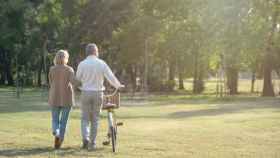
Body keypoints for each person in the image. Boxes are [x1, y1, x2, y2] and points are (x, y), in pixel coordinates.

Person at [76, 43, 124, 151]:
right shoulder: (101, 63)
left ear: (86, 52)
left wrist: (82, 85)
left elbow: (77, 79)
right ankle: (92, 143)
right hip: (98, 93)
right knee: (95, 119)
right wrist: (118, 86)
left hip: (85, 93)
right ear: (96, 52)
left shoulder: (82, 64)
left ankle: (85, 138)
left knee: (85, 118)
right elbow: (110, 77)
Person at [48, 50, 77, 149]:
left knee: (55, 119)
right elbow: (74, 82)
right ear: (66, 58)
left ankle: (56, 131)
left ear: (56, 57)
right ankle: (59, 141)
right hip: (67, 98)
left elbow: (51, 82)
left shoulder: (52, 69)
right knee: (64, 121)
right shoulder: (69, 69)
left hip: (54, 97)